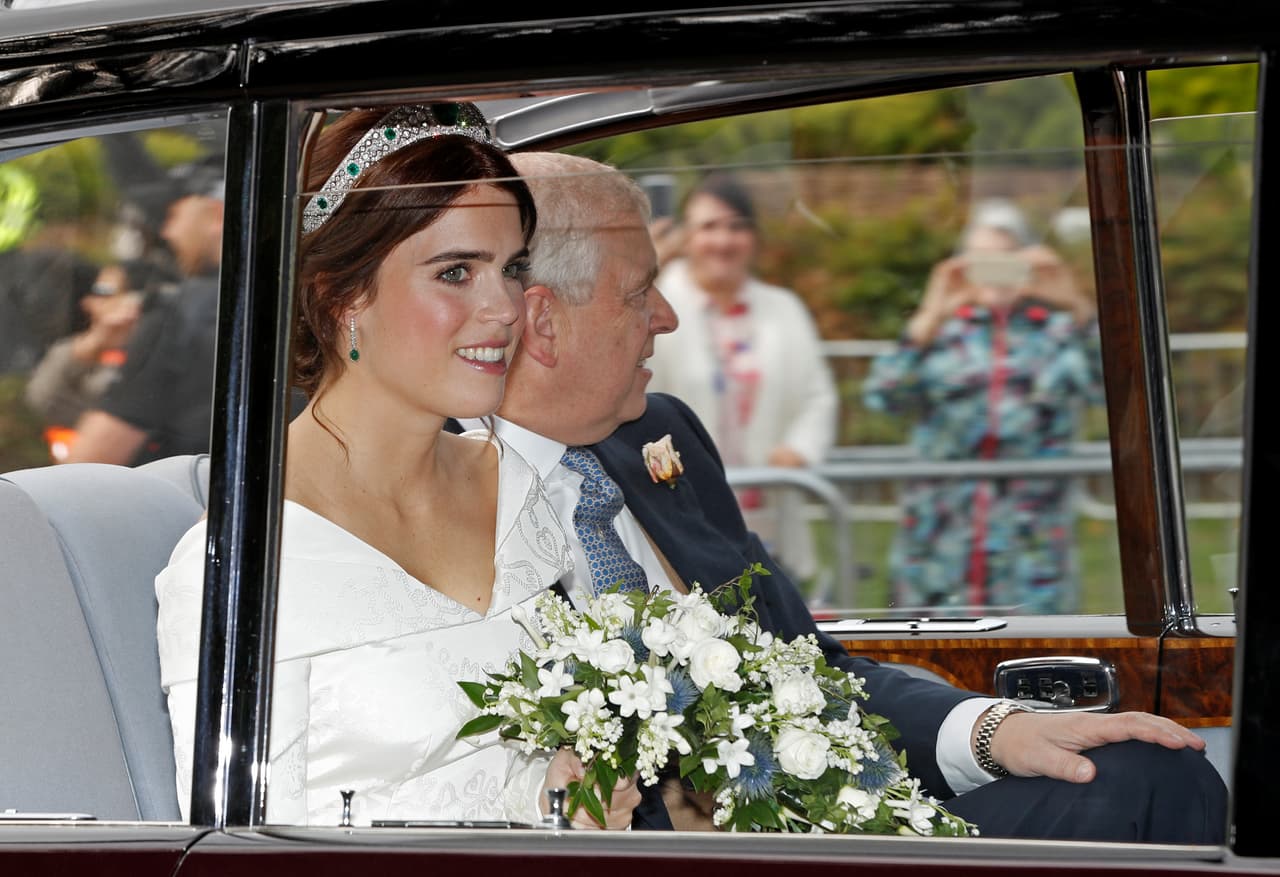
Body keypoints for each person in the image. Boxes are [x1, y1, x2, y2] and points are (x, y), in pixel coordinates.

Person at [472, 151, 1224, 842]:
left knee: (1151, 772)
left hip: (826, 832)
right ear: (542, 322)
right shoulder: (432, 492)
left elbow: (814, 672)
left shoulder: (660, 439)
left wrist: (997, 730)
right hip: (667, 856)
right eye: (642, 291)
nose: (668, 315)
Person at [155, 104, 639, 829]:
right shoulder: (244, 561)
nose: (505, 307)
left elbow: (522, 774)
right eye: (455, 272)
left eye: (511, 269)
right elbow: (241, 852)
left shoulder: (516, 487)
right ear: (342, 295)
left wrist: (559, 799)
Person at [863, 198, 1104, 614]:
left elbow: (1119, 392)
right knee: (931, 664)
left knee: (1036, 662)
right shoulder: (943, 331)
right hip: (939, 541)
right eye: (981, 259)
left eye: (1007, 258)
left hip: (1030, 546)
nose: (995, 270)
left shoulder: (1059, 333)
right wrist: (928, 315)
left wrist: (1080, 307)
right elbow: (883, 395)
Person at [646, 173, 838, 583]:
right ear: (686, 236)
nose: (723, 240)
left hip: (768, 505)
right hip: (684, 506)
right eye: (709, 227)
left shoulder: (783, 308)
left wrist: (798, 450)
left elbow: (817, 396)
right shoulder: (657, 304)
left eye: (736, 226)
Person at [64, 159, 226, 466]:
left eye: (174, 215)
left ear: (216, 215)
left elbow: (89, 464)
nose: (167, 232)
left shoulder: (182, 312)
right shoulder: (297, 298)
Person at [25, 259, 174, 459]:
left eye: (103, 292)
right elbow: (41, 401)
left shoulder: (166, 354)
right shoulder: (84, 351)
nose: (88, 303)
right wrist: (94, 343)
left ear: (138, 300)